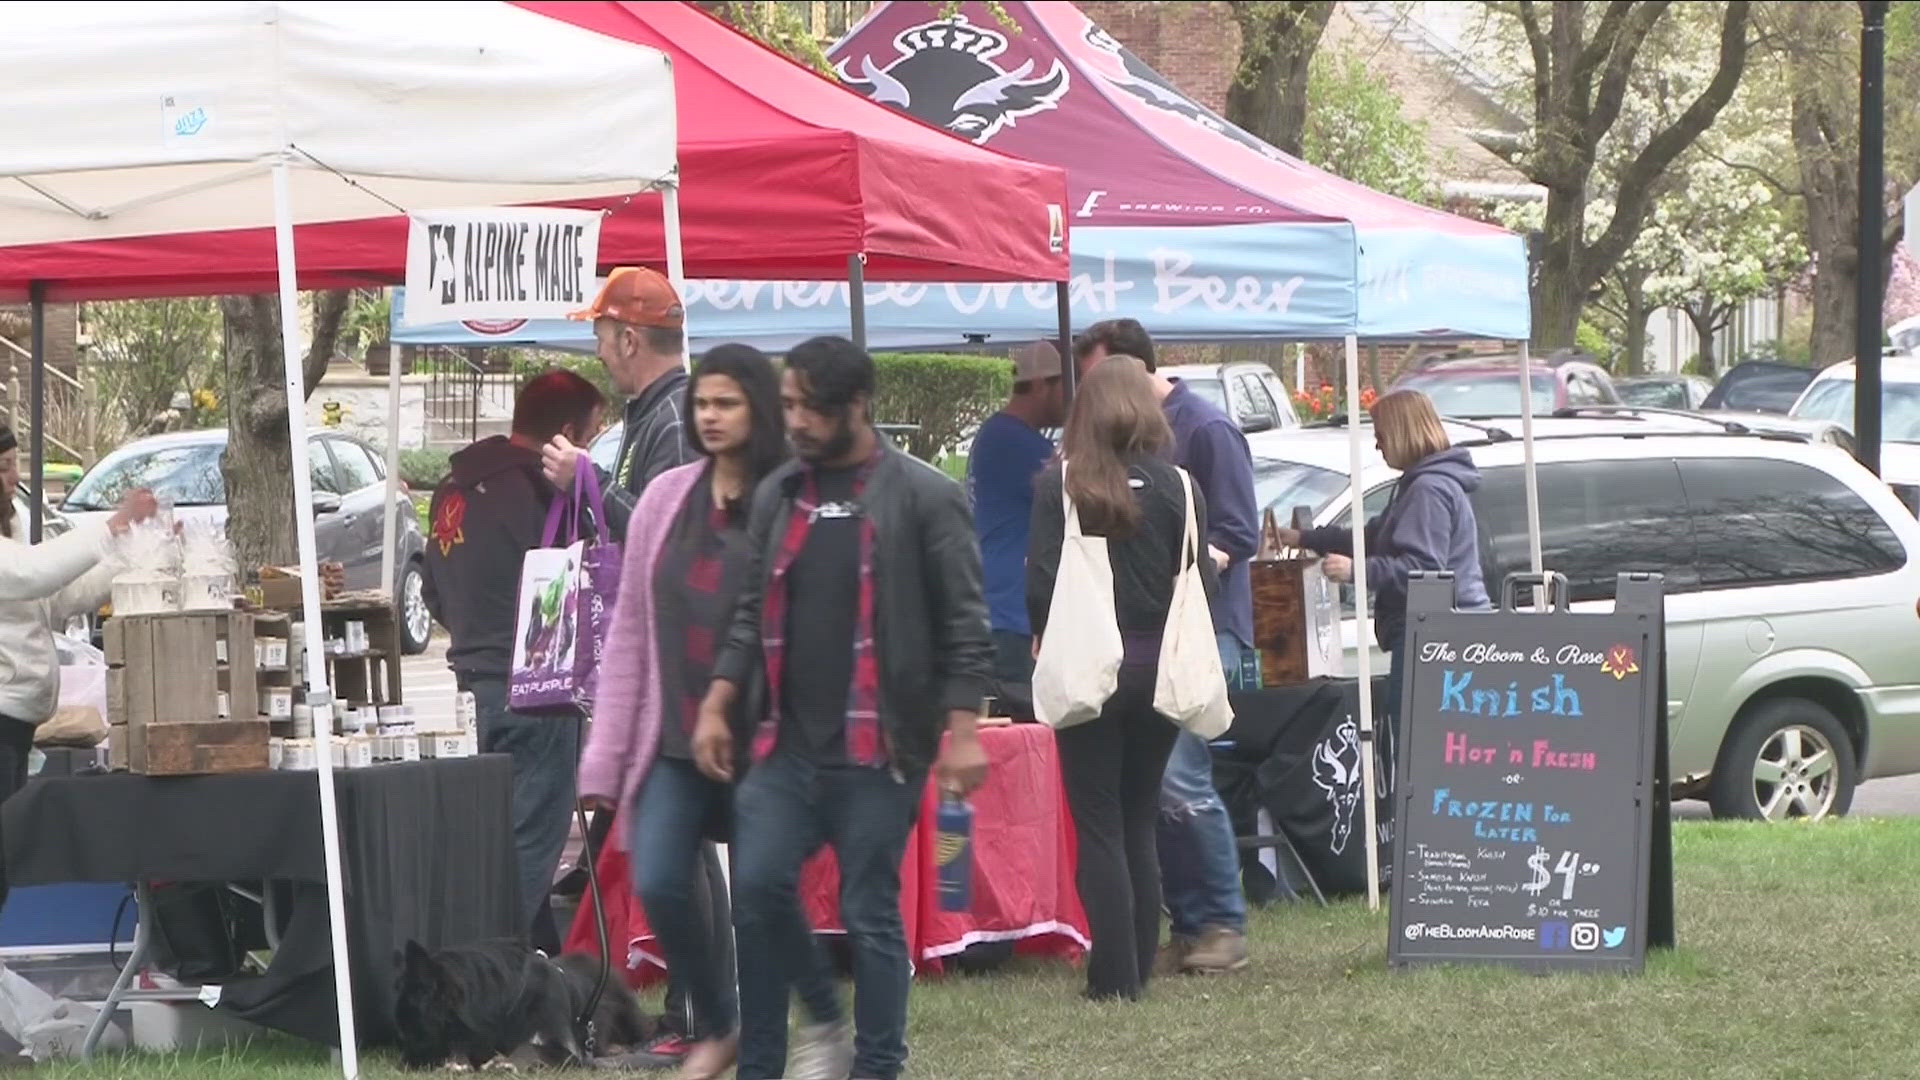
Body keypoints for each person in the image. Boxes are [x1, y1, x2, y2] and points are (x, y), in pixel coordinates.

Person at [694, 335, 993, 1080]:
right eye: (787, 404)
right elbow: (746, 614)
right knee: (758, 889)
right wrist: (718, 700)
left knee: (869, 912)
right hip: (783, 745)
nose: (794, 420)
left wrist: (962, 731)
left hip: (879, 748)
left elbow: (964, 621)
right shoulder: (778, 494)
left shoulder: (923, 495)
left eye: (810, 408)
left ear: (857, 406)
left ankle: (877, 1066)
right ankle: (811, 1029)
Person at [579, 345, 841, 1080]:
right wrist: (605, 753)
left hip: (768, 741)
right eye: (702, 403)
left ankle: (793, 1034)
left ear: (759, 409)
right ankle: (719, 1024)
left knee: (759, 897)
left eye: (727, 402)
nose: (711, 416)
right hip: (675, 739)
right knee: (659, 875)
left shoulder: (794, 499)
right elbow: (630, 629)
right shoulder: (665, 498)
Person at [541, 266, 716, 1061]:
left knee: (680, 851)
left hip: (672, 665)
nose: (598, 351)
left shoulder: (673, 419)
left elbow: (664, 532)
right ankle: (700, 1009)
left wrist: (585, 480)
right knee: (676, 848)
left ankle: (703, 1011)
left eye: (601, 335)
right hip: (663, 662)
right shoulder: (657, 416)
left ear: (630, 338)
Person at [1027, 355, 1216, 1001]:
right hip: (1161, 670)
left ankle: (1111, 979)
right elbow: (1202, 582)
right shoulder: (1181, 487)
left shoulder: (1064, 484)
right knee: (1138, 818)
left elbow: (1041, 584)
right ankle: (1135, 966)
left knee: (1099, 824)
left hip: (1091, 667)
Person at [1074, 319, 1256, 975]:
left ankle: (1220, 923)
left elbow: (1240, 531)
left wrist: (1164, 563)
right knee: (1151, 795)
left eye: (1095, 378)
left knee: (1182, 781)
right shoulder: (1113, 452)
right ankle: (1182, 920)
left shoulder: (1205, 430)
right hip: (1137, 642)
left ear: (1129, 372)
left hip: (1199, 633)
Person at [422, 370, 605, 954]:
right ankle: (492, 971)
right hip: (538, 688)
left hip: (470, 681)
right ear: (569, 432)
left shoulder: (453, 485)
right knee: (531, 842)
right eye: (592, 436)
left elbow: (431, 590)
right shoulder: (544, 492)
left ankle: (536, 958)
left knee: (497, 837)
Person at [0, 423, 158, 913]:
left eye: (14, 465)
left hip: (16, 719)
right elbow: (31, 575)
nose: (13, 479)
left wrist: (132, 554)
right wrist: (111, 525)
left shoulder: (15, 527)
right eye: (3, 468)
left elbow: (62, 594)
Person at [1274, 388, 1489, 735]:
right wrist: (1305, 538)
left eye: (1381, 436)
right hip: (1445, 630)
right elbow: (1372, 537)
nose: (1378, 446)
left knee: (1415, 740)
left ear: (1402, 433)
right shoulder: (1421, 485)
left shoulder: (1428, 490)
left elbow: (1424, 571)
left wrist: (1356, 571)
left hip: (1437, 634)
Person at [968, 340, 1065, 702]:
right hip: (1015, 614)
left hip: (1002, 604)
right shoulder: (1016, 443)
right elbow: (1080, 493)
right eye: (1065, 386)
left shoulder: (996, 434)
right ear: (1043, 385)